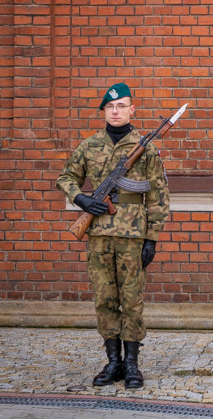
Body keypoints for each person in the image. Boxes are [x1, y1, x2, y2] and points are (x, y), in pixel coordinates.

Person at [56, 83, 170, 389]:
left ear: (132, 109)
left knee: (131, 300)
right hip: (99, 235)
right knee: (105, 299)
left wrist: (152, 237)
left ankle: (132, 364)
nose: (116, 111)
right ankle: (113, 362)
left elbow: (158, 196)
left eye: (121, 106)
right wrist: (81, 200)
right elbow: (65, 177)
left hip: (133, 236)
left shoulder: (146, 148)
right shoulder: (89, 145)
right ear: (104, 111)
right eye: (110, 107)